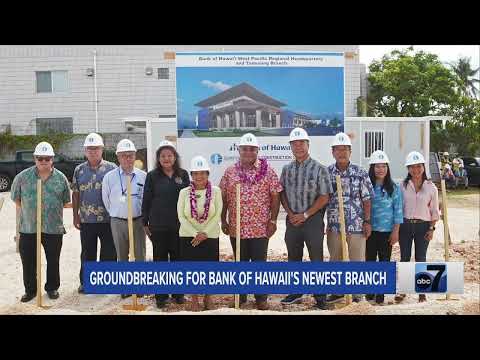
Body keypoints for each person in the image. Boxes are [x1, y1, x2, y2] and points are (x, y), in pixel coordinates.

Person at [220, 133, 282, 310]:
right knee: (239, 263)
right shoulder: (230, 172)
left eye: (252, 149)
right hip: (236, 227)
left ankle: (261, 297)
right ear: (239, 150)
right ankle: (240, 296)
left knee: (259, 263)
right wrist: (223, 219)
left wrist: (273, 220)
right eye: (244, 149)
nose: (248, 152)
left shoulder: (268, 171)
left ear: (257, 151)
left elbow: (275, 196)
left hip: (260, 227)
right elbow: (224, 197)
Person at [279, 128, 332, 310]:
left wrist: (306, 214)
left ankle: (320, 295)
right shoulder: (286, 170)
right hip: (292, 220)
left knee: (316, 258)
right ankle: (296, 291)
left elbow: (325, 197)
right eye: (295, 143)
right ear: (291, 147)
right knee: (294, 257)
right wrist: (290, 213)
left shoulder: (320, 169)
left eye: (302, 143)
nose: (298, 146)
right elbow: (282, 193)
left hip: (313, 220)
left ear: (308, 145)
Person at [11, 142, 71, 302]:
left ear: (52, 159)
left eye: (47, 158)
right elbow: (16, 199)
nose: (43, 161)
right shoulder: (23, 177)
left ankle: (52, 288)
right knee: (29, 262)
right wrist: (30, 211)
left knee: (53, 260)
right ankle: (30, 290)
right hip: (29, 228)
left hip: (53, 228)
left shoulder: (61, 178)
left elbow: (66, 202)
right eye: (40, 158)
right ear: (35, 159)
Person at [326, 132, 374, 304]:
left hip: (357, 224)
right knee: (335, 259)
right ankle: (337, 291)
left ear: (350, 151)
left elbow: (367, 199)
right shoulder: (327, 172)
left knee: (357, 259)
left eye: (344, 149)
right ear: (333, 152)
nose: (341, 152)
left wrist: (368, 221)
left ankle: (356, 293)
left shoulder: (360, 172)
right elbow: (324, 198)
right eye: (337, 149)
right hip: (334, 225)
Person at [142, 140, 190, 309]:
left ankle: (178, 294)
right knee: (160, 261)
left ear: (175, 157)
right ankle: (161, 296)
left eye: (170, 155)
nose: (166, 158)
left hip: (179, 226)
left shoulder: (183, 175)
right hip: (158, 226)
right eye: (163, 156)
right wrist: (145, 222)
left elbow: (189, 200)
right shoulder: (152, 176)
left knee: (178, 260)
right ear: (158, 158)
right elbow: (146, 199)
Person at [72, 133, 117, 294]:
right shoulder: (79, 170)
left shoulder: (112, 168)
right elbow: (76, 193)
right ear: (85, 150)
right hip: (86, 219)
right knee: (87, 252)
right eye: (89, 149)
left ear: (102, 149)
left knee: (109, 252)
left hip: (108, 219)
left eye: (96, 148)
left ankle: (106, 283)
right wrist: (75, 215)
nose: (93, 151)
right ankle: (87, 283)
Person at [102, 139, 147, 299]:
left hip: (138, 221)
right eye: (124, 156)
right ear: (118, 157)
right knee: (122, 256)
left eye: (130, 155)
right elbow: (106, 200)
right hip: (118, 221)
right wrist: (117, 213)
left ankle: (140, 286)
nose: (127, 159)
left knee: (140, 255)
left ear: (135, 156)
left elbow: (146, 200)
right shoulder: (109, 177)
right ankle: (125, 287)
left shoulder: (143, 176)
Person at [177, 155, 222, 311]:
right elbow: (181, 216)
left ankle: (208, 297)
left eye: (202, 173)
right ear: (191, 175)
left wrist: (204, 233)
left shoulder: (216, 191)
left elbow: (217, 215)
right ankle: (194, 298)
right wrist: (195, 233)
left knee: (210, 268)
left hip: (210, 236)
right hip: (189, 236)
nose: (199, 176)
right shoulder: (184, 192)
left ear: (208, 174)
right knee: (192, 269)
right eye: (195, 173)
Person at [395, 151, 439, 303]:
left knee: (421, 258)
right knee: (405, 257)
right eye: (412, 167)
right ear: (408, 169)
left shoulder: (431, 187)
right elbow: (398, 208)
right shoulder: (402, 186)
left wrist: (431, 229)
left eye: (418, 166)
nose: (415, 170)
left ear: (423, 167)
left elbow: (434, 210)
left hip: (423, 227)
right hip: (405, 226)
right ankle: (403, 290)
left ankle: (422, 291)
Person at [365, 150, 403, 305]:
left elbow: (398, 211)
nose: (380, 169)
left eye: (384, 166)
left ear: (387, 168)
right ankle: (370, 291)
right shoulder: (367, 186)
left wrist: (396, 232)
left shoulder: (394, 187)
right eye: (377, 166)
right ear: (372, 168)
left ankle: (380, 294)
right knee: (370, 261)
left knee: (385, 261)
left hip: (387, 232)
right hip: (370, 231)